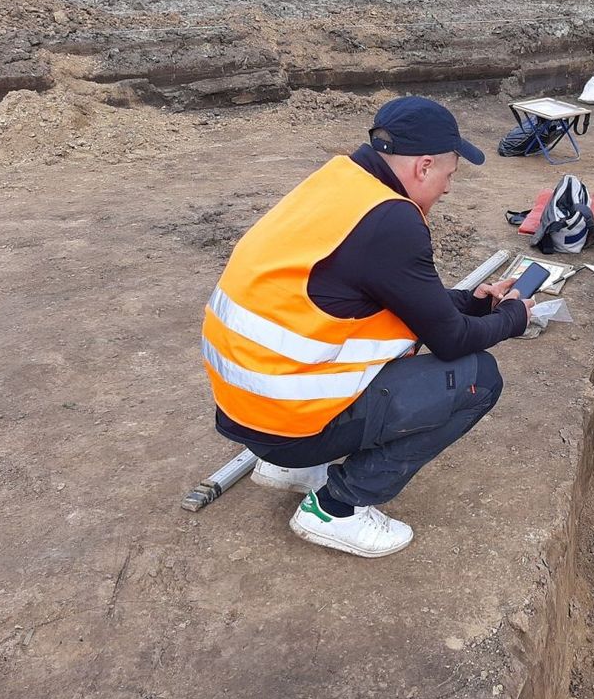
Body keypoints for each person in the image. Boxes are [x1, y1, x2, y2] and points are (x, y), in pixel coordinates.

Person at [201, 96, 533, 558]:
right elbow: (450, 340)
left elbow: (400, 303)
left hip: (248, 410)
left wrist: (473, 302)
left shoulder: (340, 183)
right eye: (449, 175)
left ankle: (292, 470)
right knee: (479, 378)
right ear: (423, 167)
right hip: (286, 422)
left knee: (407, 353)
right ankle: (336, 509)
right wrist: (512, 319)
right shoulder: (392, 222)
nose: (448, 189)